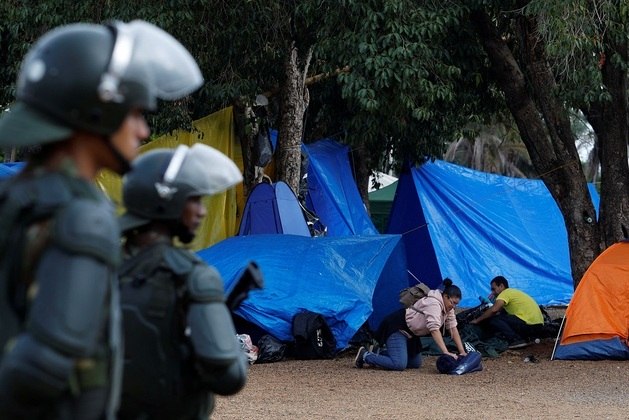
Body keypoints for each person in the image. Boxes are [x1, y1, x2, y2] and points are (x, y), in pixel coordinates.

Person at [0, 20, 202, 419]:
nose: (144, 130)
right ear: (98, 108)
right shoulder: (84, 215)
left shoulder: (19, 195)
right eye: (136, 113)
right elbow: (44, 366)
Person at [116, 144, 248, 420]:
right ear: (168, 200)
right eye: (195, 200)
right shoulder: (193, 276)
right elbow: (229, 377)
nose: (201, 212)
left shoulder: (98, 266)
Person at [354, 279, 467, 371]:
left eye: (456, 304)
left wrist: (462, 352)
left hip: (412, 334)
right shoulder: (434, 304)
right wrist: (446, 352)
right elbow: (434, 329)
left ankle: (377, 352)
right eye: (453, 302)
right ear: (445, 296)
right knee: (399, 364)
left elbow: (453, 328)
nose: (454, 306)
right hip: (398, 327)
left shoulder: (449, 308)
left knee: (415, 363)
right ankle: (365, 356)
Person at [470, 275, 544, 349]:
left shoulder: (505, 293)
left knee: (495, 319)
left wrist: (477, 320)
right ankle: (526, 338)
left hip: (529, 325)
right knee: (502, 317)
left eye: (493, 289)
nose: (492, 292)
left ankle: (516, 340)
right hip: (538, 326)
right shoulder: (513, 292)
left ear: (501, 286)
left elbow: (494, 310)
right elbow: (501, 312)